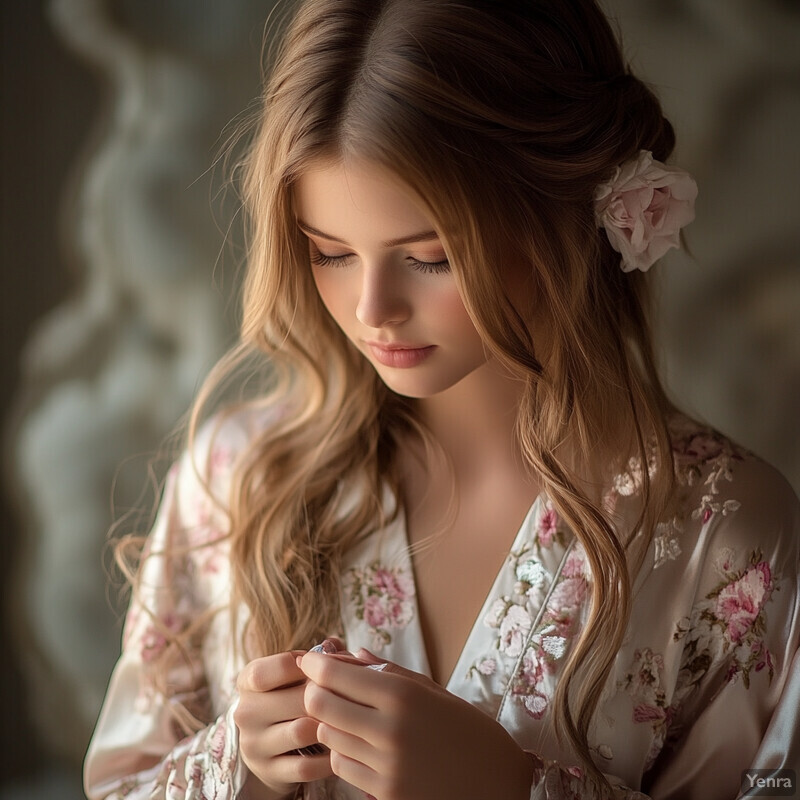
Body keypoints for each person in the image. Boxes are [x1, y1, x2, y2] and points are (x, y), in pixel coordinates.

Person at [83, 0, 800, 798]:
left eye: (428, 258)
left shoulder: (729, 532)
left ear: (565, 223)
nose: (371, 308)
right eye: (331, 254)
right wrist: (237, 766)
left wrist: (509, 787)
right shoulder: (234, 475)